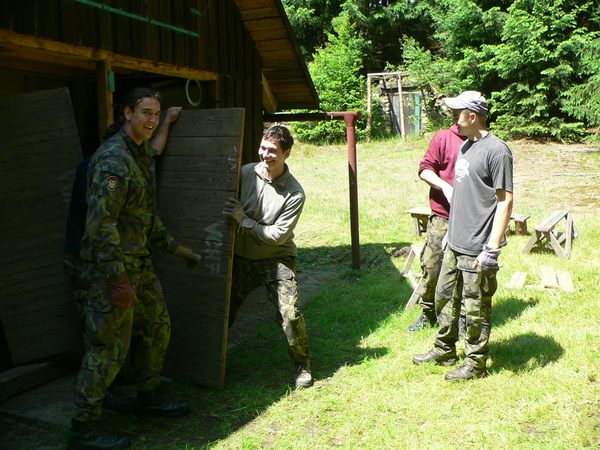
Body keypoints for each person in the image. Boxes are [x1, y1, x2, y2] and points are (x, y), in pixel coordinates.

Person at [69, 87, 201, 450]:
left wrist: (178, 250)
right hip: (111, 272)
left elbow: (145, 218)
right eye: (146, 112)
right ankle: (83, 429)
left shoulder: (139, 154)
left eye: (156, 114)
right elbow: (100, 225)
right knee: (107, 348)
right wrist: (117, 280)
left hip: (139, 265)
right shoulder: (114, 160)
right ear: (127, 113)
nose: (152, 119)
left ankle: (148, 396)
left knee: (157, 327)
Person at [412, 91, 513, 381]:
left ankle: (475, 362)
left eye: (458, 114)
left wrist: (492, 248)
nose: (455, 119)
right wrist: (450, 233)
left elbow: (505, 201)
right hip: (455, 240)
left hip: (477, 244)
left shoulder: (497, 151)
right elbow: (461, 195)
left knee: (475, 306)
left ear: (473, 115)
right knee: (445, 297)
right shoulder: (467, 146)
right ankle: (444, 349)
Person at [223, 125, 312, 389]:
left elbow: (277, 236)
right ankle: (211, 358)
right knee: (222, 309)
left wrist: (244, 221)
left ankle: (302, 365)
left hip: (277, 258)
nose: (265, 155)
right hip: (241, 256)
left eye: (272, 151)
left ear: (286, 154)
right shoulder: (246, 173)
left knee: (290, 314)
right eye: (263, 148)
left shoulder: (294, 193)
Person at [408, 110, 466, 332]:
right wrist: (444, 186)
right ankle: (428, 312)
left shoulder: (480, 142)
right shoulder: (443, 138)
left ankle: (461, 319)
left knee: (464, 271)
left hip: (469, 219)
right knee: (432, 266)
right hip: (442, 216)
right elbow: (425, 170)